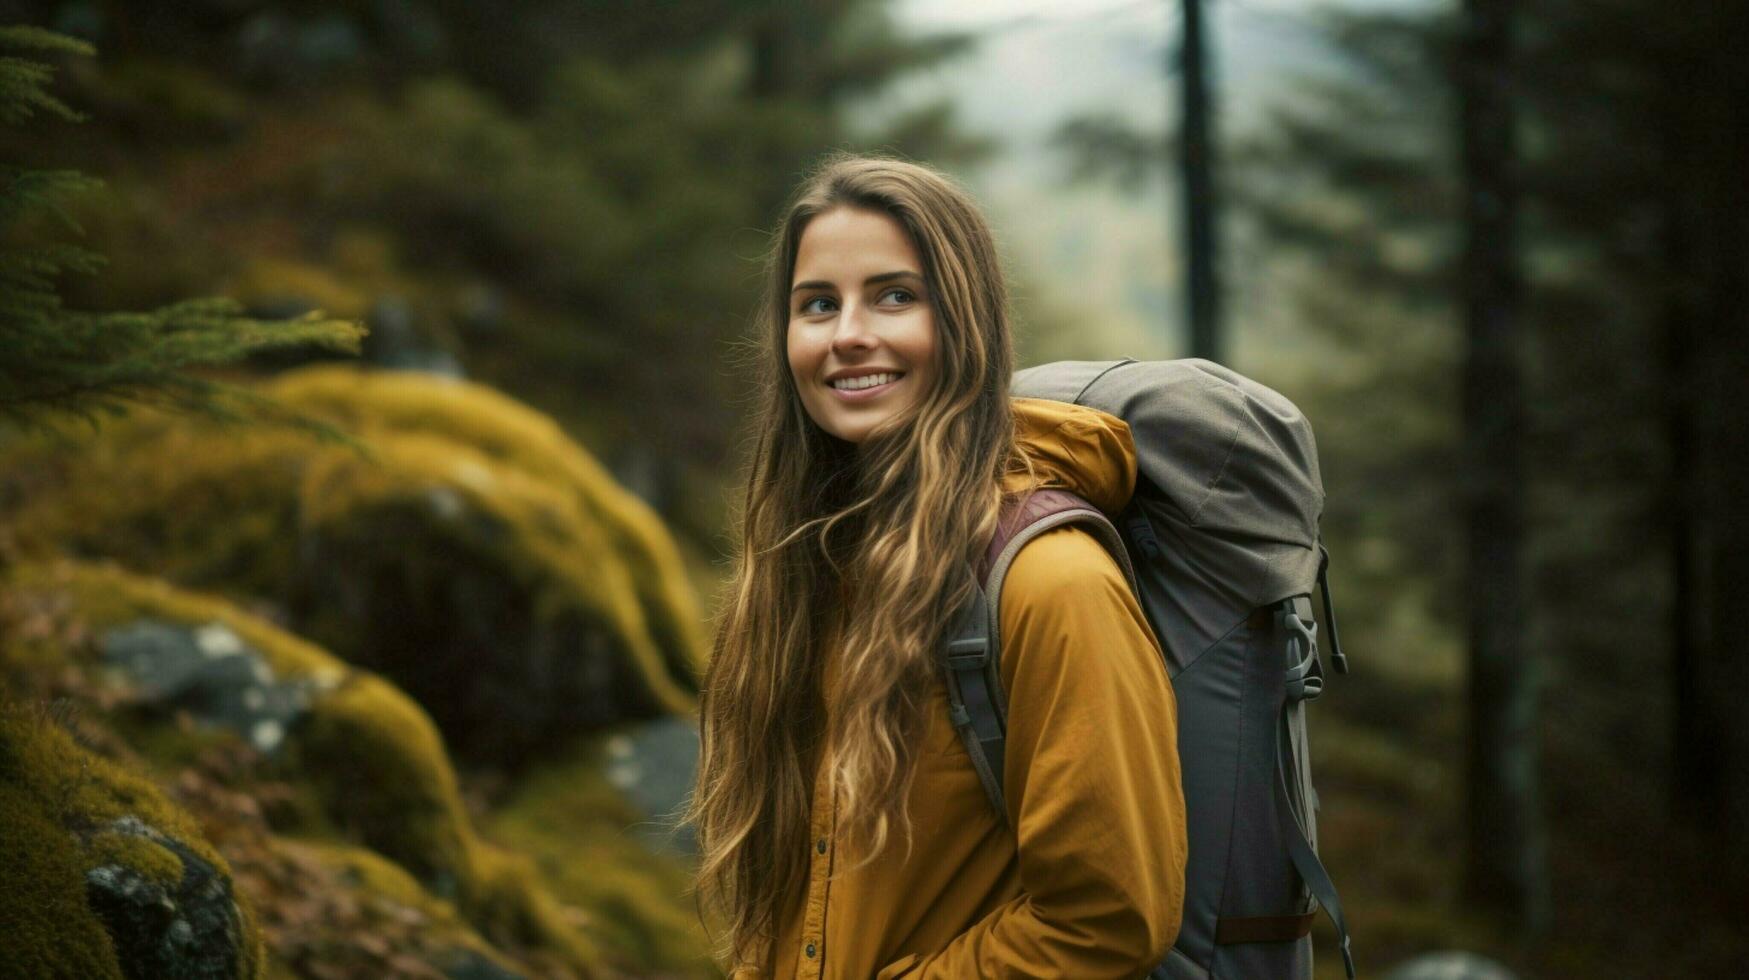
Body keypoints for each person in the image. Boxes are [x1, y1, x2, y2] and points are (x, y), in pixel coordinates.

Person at [686, 152, 1186, 979]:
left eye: (893, 295)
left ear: (964, 321)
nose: (848, 333)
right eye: (817, 304)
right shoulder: (810, 574)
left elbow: (1108, 918)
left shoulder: (1050, 582)